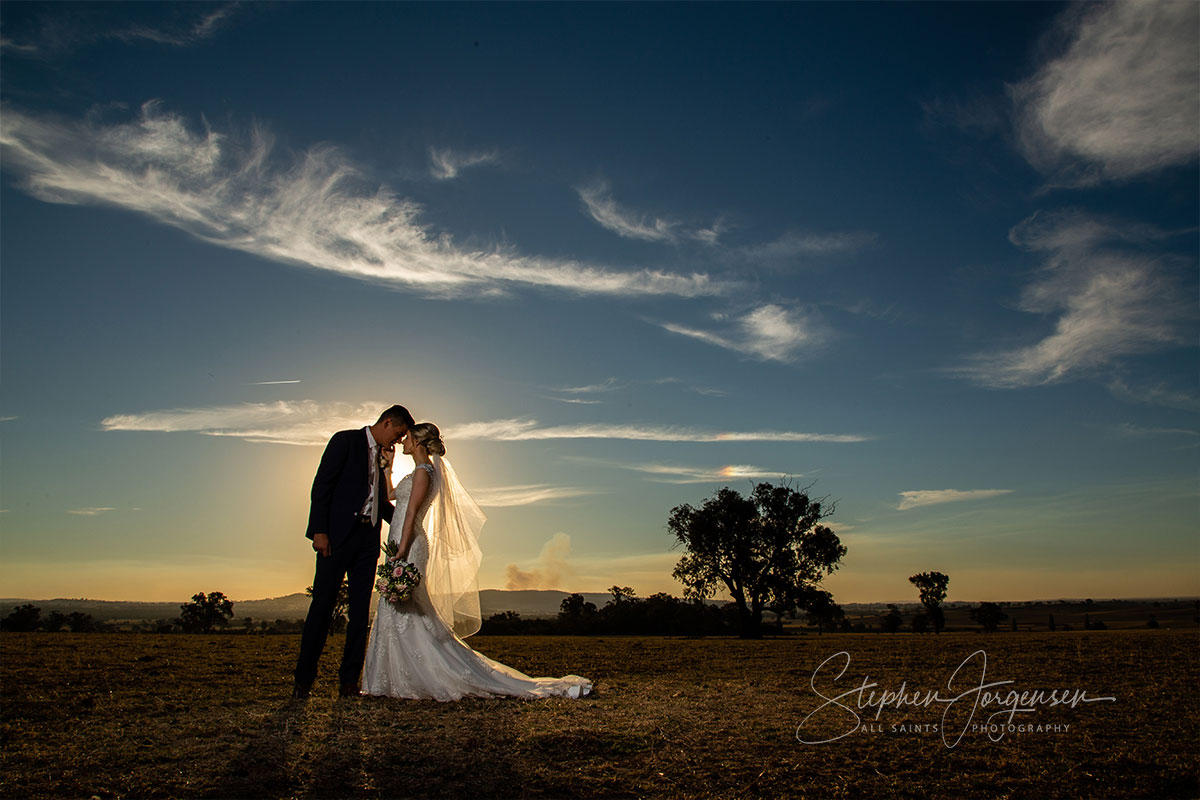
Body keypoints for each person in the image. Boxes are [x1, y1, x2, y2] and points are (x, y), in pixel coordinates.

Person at [361, 422, 593, 700]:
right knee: (398, 607)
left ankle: (422, 673)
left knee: (407, 607)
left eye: (407, 438)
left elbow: (410, 513)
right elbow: (389, 495)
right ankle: (390, 677)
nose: (402, 442)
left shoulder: (424, 473)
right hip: (400, 541)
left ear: (419, 443)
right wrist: (387, 466)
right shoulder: (416, 473)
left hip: (409, 544)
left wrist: (401, 550)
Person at [293, 405, 415, 699]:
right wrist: (319, 531)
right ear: (387, 423)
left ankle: (349, 682)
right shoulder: (344, 441)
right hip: (335, 538)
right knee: (321, 608)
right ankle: (303, 681)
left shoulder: (386, 457)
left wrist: (408, 525)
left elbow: (380, 503)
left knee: (360, 613)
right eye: (398, 435)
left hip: (367, 541)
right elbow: (322, 485)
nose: (398, 442)